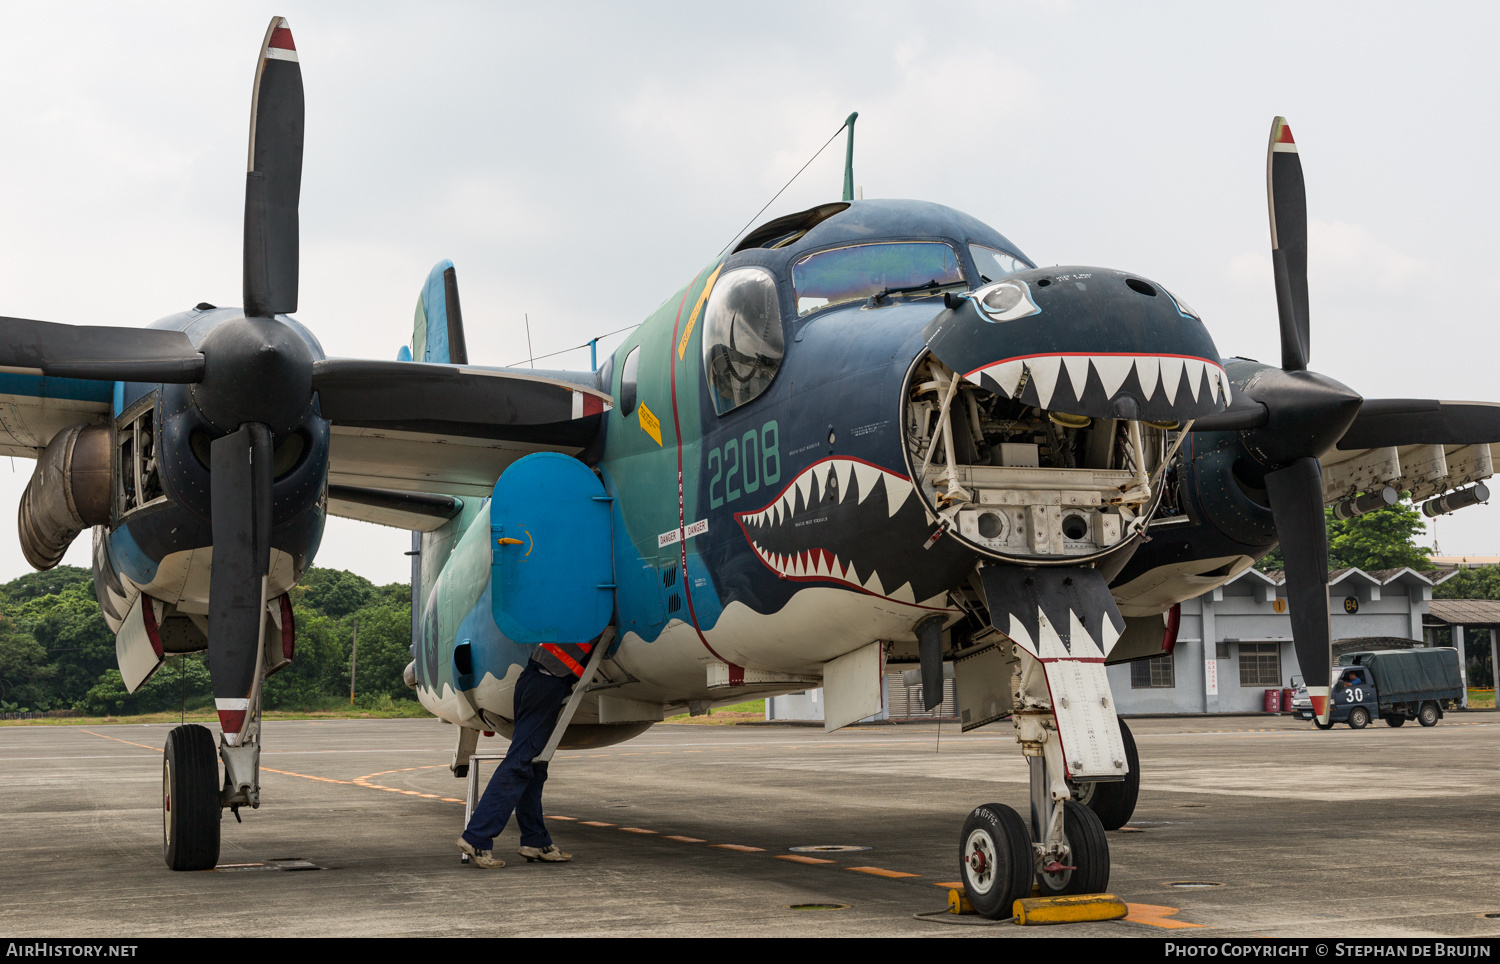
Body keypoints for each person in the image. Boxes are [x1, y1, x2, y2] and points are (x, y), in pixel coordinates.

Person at [455, 636, 597, 869]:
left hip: (535, 680)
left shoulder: (571, 616)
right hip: (547, 684)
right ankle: (476, 838)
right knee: (520, 763)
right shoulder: (591, 614)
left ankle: (535, 840)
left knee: (534, 765)